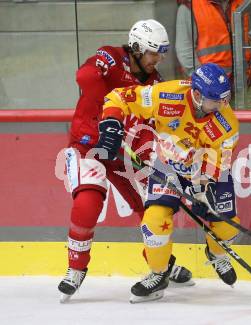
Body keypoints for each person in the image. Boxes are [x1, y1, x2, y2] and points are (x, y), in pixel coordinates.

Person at [58, 19, 193, 302]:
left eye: (162, 53)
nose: (159, 59)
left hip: (122, 153)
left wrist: (152, 155)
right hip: (89, 145)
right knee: (87, 202)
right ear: (136, 48)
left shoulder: (155, 83)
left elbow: (150, 126)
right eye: (154, 52)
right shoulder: (110, 56)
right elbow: (85, 77)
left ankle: (161, 264)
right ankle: (76, 268)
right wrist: (111, 114)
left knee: (152, 207)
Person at [98, 62, 240, 303]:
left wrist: (203, 184)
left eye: (225, 100)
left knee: (227, 226)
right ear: (196, 95)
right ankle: (158, 273)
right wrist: (111, 122)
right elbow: (118, 97)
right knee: (154, 220)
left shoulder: (228, 124)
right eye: (216, 101)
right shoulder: (166, 95)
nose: (222, 106)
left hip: (206, 172)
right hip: (168, 167)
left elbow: (220, 161)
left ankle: (216, 253)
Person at [175, 0, 251, 85]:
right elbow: (185, 51)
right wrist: (204, 80)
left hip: (241, 82)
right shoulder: (189, 6)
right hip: (209, 89)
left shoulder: (241, 2)